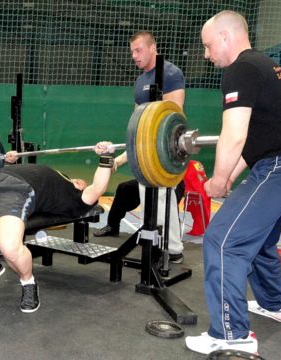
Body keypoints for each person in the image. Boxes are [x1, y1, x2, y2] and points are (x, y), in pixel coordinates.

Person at [184, 11, 281, 356]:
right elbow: (256, 139)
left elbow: (234, 136)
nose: (206, 54)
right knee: (258, 237)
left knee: (221, 240)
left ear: (226, 37)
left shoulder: (241, 69)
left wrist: (216, 181)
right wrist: (230, 176)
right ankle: (277, 304)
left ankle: (231, 336)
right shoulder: (265, 66)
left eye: (207, 45)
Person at [0, 142, 117, 313]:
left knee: (9, 247)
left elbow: (98, 187)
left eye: (82, 182)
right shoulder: (56, 174)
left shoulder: (76, 199)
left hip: (15, 190)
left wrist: (106, 156)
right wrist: (7, 161)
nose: (79, 180)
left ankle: (28, 282)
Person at [94, 31, 186, 263]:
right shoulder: (140, 81)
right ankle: (155, 244)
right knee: (148, 200)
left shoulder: (171, 74)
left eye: (138, 50)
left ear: (153, 48)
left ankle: (173, 249)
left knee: (164, 199)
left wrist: (156, 150)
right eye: (132, 51)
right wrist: (122, 159)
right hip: (145, 153)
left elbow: (174, 118)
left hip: (164, 151)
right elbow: (138, 126)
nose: (134, 55)